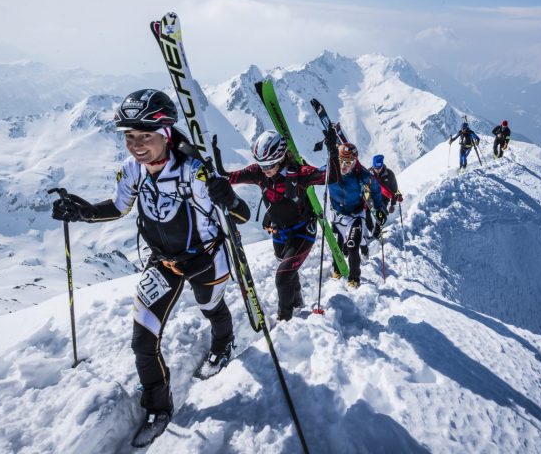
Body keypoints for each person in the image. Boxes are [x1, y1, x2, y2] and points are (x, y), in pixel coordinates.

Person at [50, 89, 250, 442]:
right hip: (162, 263)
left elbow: (241, 215)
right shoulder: (132, 170)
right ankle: (158, 406)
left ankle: (223, 342)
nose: (136, 145)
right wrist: (83, 212)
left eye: (145, 136)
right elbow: (119, 206)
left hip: (205, 258)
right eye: (129, 136)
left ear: (166, 133)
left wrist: (227, 195)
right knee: (143, 341)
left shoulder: (194, 172)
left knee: (211, 306)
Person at [212, 130, 325, 321]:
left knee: (282, 277)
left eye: (270, 165)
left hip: (303, 231)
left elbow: (332, 176)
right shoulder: (258, 172)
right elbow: (227, 177)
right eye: (262, 164)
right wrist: (214, 156)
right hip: (280, 231)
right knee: (288, 269)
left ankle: (285, 321)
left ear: (281, 157)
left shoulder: (300, 172)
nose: (265, 170)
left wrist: (333, 148)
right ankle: (297, 304)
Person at [323, 129, 386, 288]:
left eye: (349, 163)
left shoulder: (362, 174)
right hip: (337, 214)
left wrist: (379, 208)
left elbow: (376, 189)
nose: (344, 166)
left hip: (356, 215)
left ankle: (354, 278)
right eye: (341, 161)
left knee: (352, 245)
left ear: (355, 162)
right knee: (336, 245)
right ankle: (337, 269)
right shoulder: (330, 170)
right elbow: (309, 175)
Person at [362, 155, 403, 254]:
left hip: (383, 200)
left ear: (382, 165)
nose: (377, 170)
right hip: (370, 197)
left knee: (381, 216)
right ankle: (372, 230)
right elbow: (363, 185)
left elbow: (394, 190)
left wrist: (393, 204)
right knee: (366, 213)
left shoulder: (389, 175)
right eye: (375, 168)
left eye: (379, 168)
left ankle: (376, 234)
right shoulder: (369, 173)